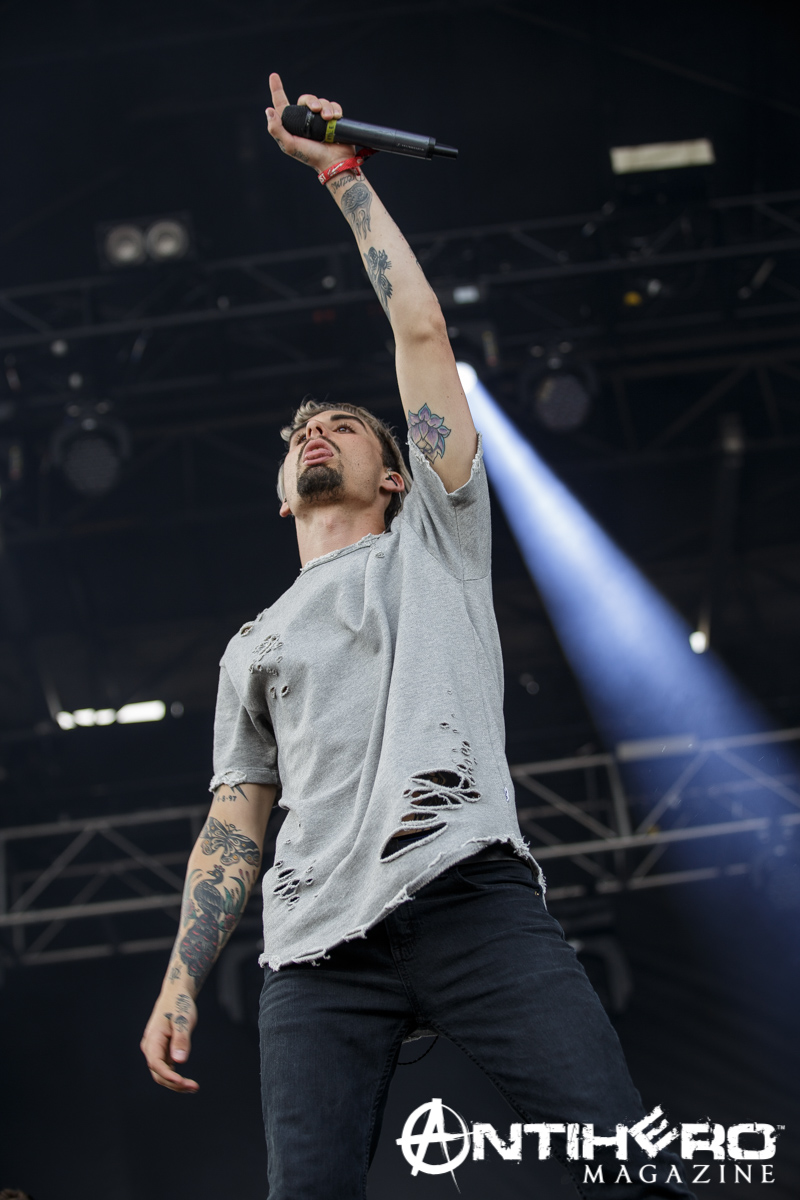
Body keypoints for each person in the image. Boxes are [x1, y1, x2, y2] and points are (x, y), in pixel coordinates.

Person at [141, 73, 697, 1199]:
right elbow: (235, 820)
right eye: (299, 433)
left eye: (343, 424)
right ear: (280, 496)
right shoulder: (251, 646)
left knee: (622, 1162)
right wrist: (181, 975)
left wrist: (342, 177)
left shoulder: (435, 538)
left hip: (466, 896)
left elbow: (418, 326)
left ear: (395, 473)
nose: (314, 432)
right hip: (313, 955)